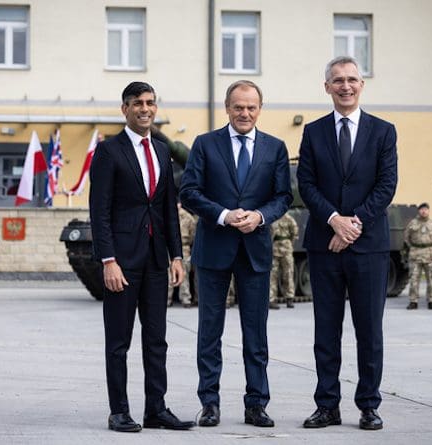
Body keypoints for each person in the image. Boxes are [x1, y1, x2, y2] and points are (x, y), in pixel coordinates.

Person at [180, 79, 292, 428]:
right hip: (214, 248)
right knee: (209, 331)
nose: (245, 113)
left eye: (251, 107)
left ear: (260, 109)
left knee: (256, 334)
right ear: (227, 108)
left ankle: (256, 404)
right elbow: (189, 191)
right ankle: (209, 403)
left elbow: (283, 196)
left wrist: (259, 216)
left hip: (255, 251)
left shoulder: (275, 148)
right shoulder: (205, 144)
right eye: (238, 107)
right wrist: (223, 214)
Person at [296, 56, 397, 431]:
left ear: (362, 85)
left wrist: (352, 224)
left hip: (368, 247)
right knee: (327, 330)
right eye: (337, 80)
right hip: (325, 246)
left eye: (352, 79)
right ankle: (327, 406)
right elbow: (306, 184)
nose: (345, 86)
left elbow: (386, 185)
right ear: (327, 87)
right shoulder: (314, 132)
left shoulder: (383, 132)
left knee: (369, 331)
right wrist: (333, 221)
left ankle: (369, 405)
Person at [89, 81, 193, 433]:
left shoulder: (162, 150)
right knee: (119, 341)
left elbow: (166, 208)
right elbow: (99, 211)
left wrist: (176, 255)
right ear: (125, 109)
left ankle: (156, 409)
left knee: (157, 339)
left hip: (155, 261)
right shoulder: (108, 151)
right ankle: (119, 411)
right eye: (137, 103)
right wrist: (108, 260)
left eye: (150, 103)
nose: (145, 108)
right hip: (122, 261)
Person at [404, 203, 432, 310]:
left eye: (425, 209)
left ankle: (431, 300)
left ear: (428, 211)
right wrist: (414, 247)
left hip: (430, 254)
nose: (423, 211)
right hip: (416, 254)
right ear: (418, 211)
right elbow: (407, 238)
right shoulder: (412, 223)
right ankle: (413, 301)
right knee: (414, 278)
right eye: (421, 209)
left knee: (431, 279)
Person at [168, 203, 197, 308]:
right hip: (169, 247)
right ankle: (168, 299)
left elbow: (193, 234)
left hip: (184, 247)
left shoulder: (187, 217)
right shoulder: (168, 214)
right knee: (169, 274)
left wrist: (187, 244)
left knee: (184, 274)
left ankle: (185, 298)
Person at [269, 213, 299, 309]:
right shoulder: (272, 218)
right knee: (272, 275)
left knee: (288, 274)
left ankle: (289, 298)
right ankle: (272, 299)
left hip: (286, 249)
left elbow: (294, 232)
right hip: (274, 249)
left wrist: (289, 243)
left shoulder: (289, 218)